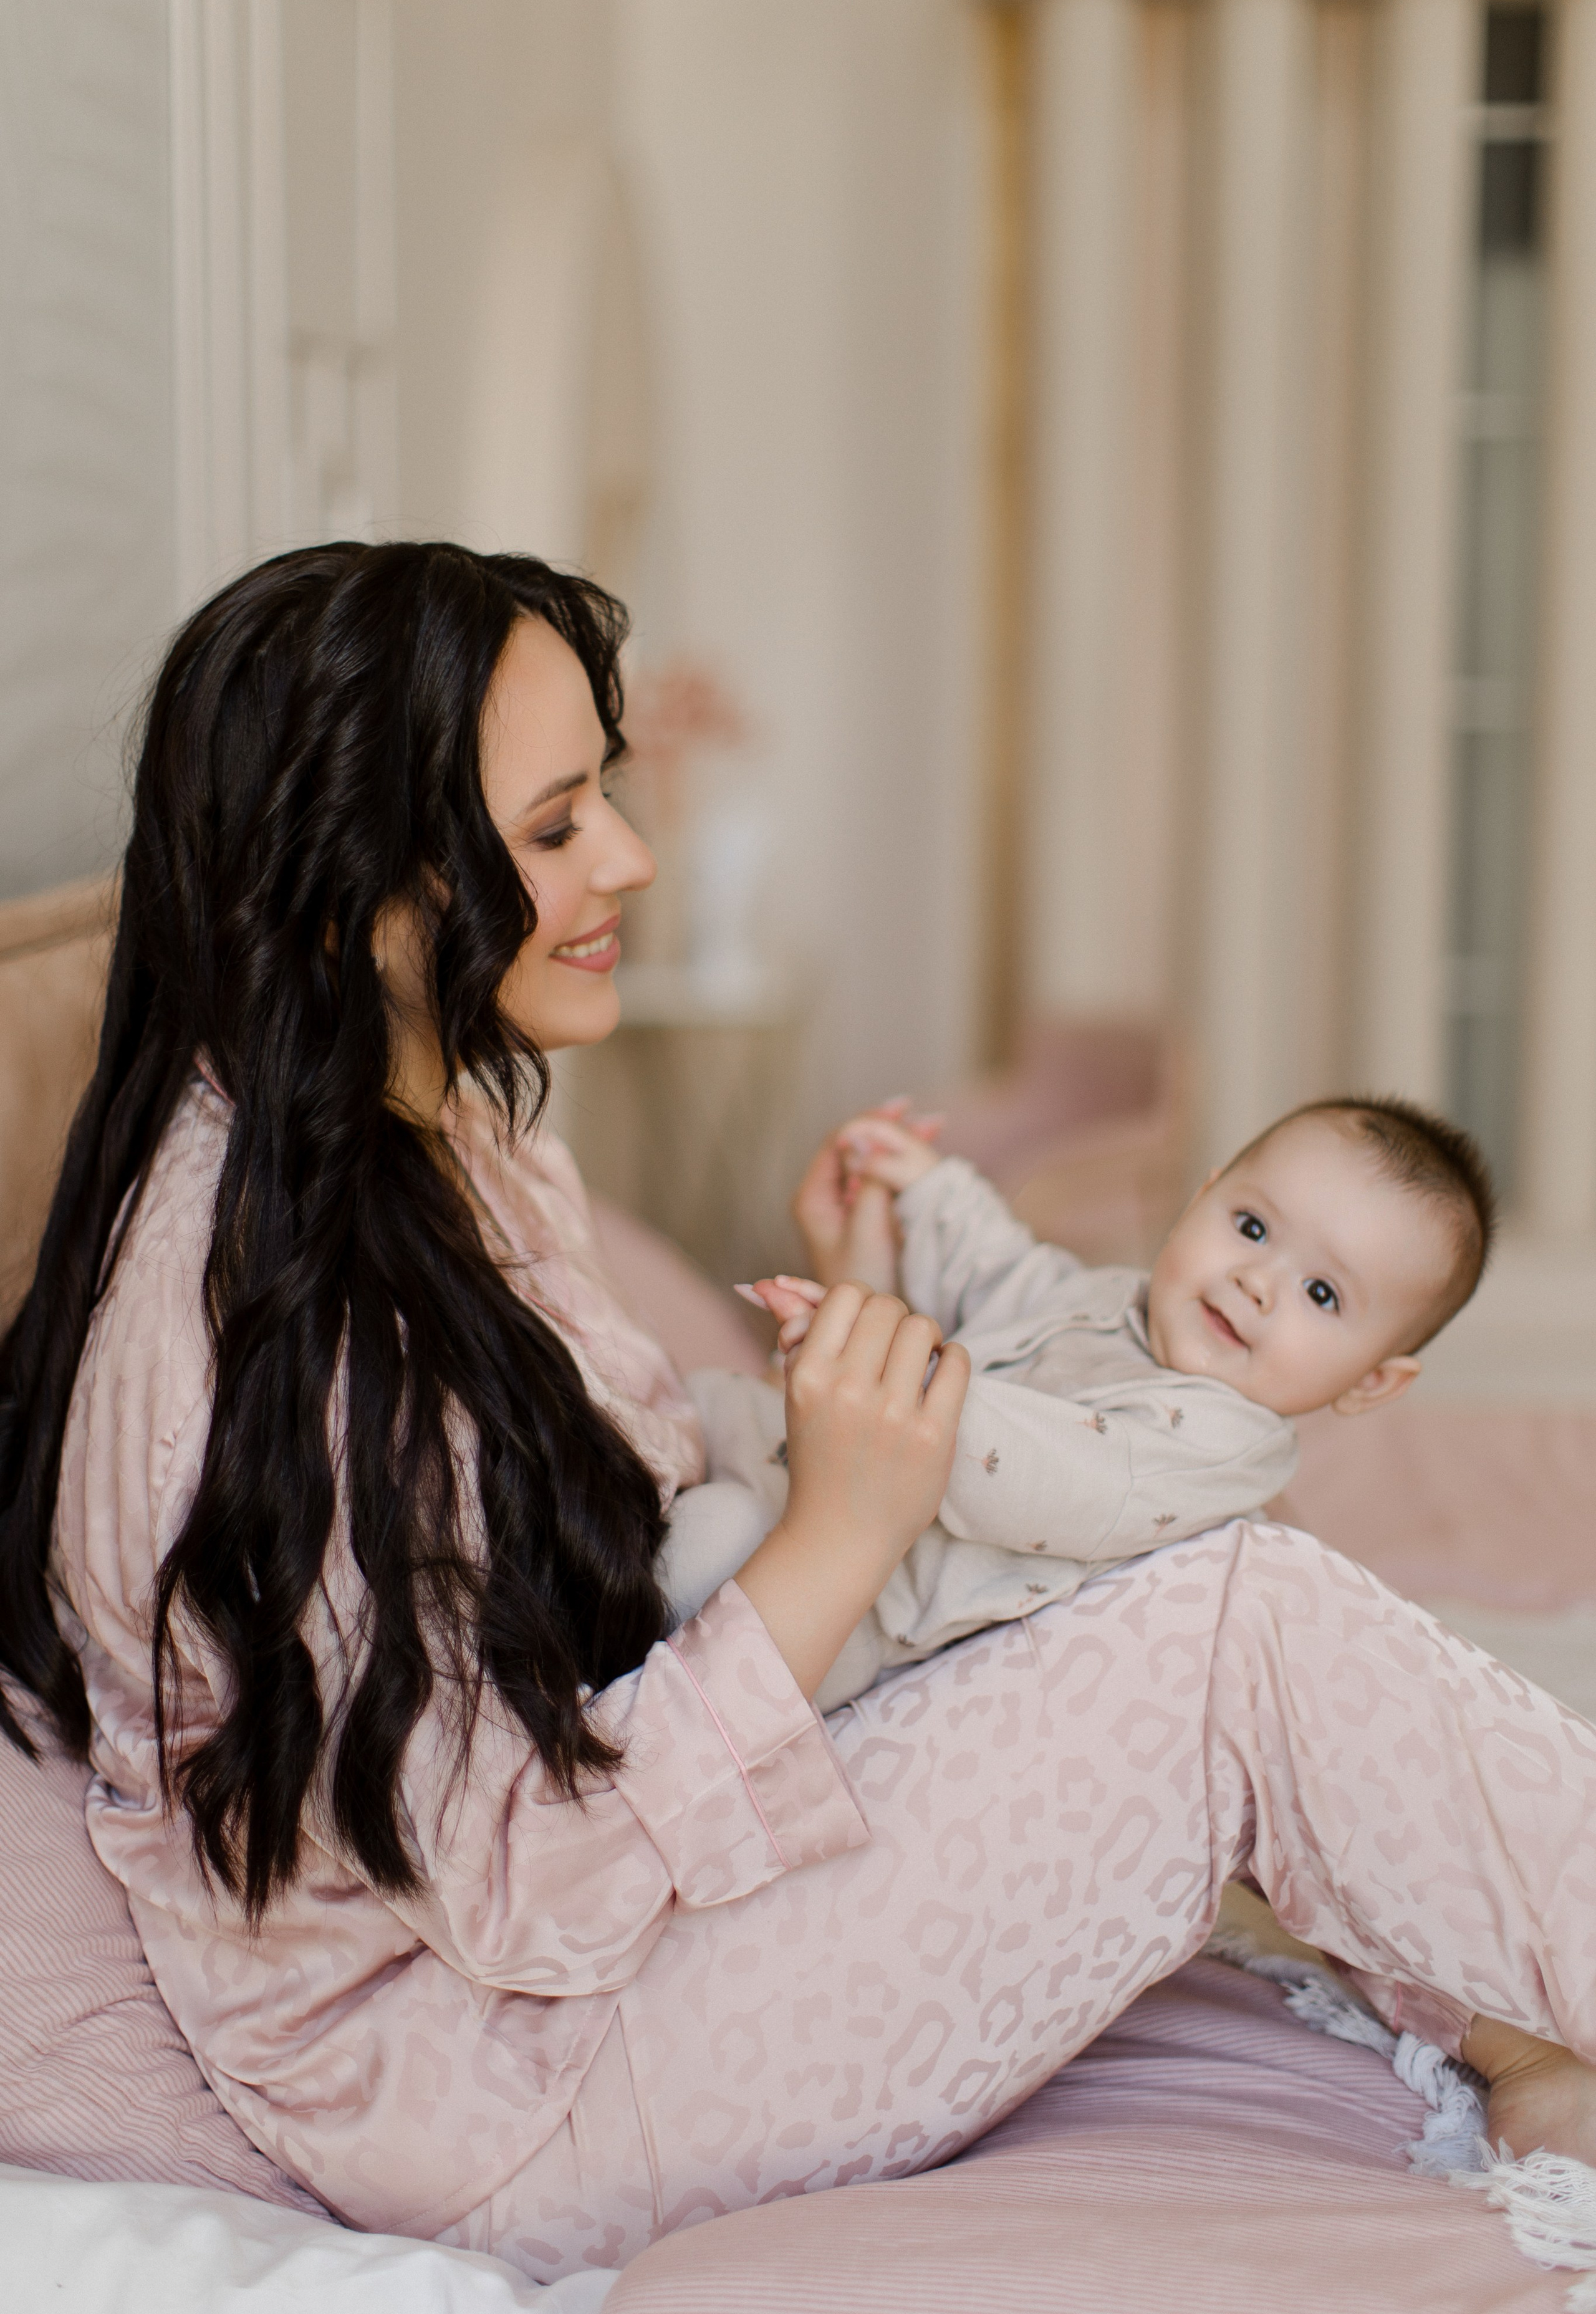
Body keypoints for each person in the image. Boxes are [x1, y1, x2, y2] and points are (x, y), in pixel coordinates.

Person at [1, 540, 1594, 2289]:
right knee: (1238, 1621)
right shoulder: (270, 1351)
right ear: (354, 901)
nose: (631, 855)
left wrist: (845, 1362)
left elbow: (603, 1467)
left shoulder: (443, 1128)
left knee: (1190, 1571)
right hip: (503, 2089)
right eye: (553, 830)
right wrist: (840, 1538)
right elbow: (518, 1901)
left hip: (577, 1956)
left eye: (603, 792)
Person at [669, 1095, 1494, 1711]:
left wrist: (895, 1373)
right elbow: (1008, 1274)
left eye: (1321, 1292)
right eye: (1250, 1227)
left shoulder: (1214, 1449)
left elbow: (1045, 1471)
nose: (1257, 1281)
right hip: (819, 1496)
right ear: (1202, 1199)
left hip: (866, 1614)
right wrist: (931, 1187)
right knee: (688, 1403)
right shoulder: (1120, 1302)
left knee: (709, 1542)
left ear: (1371, 1382)